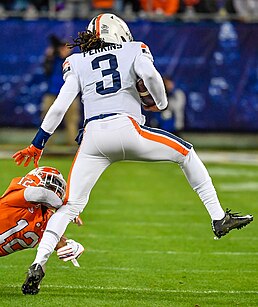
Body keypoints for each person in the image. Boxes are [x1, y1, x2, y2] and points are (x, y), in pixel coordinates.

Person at [12, 13, 253, 295]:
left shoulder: (76, 61)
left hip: (93, 139)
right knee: (185, 154)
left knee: (70, 206)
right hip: (128, 128)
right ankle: (217, 218)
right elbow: (151, 75)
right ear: (119, 33)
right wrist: (160, 104)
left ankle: (39, 263)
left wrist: (38, 143)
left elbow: (60, 104)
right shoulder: (134, 48)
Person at [0, 166, 84, 294]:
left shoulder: (47, 217)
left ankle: (33, 283)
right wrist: (67, 209)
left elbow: (55, 243)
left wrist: (72, 247)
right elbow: (42, 194)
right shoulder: (19, 195)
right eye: (52, 184)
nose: (55, 190)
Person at [42, 34, 80, 146]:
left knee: (72, 121)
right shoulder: (53, 59)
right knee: (47, 120)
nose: (63, 49)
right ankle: (44, 146)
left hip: (70, 95)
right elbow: (46, 71)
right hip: (51, 93)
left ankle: (73, 147)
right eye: (61, 46)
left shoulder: (74, 60)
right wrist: (49, 57)